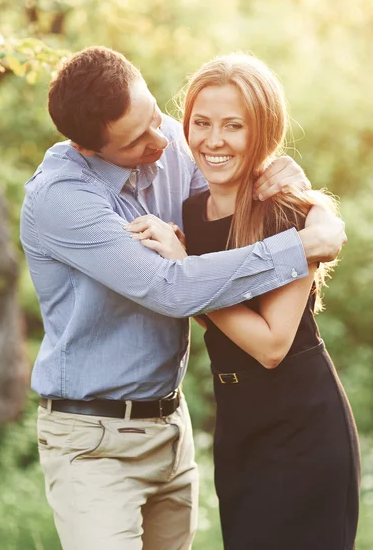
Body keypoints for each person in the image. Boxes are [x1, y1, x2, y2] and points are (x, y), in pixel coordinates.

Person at [20, 46, 347, 550]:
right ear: (89, 148)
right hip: (95, 441)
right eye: (136, 140)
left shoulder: (173, 140)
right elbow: (173, 287)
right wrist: (301, 246)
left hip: (174, 430)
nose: (164, 139)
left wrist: (307, 198)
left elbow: (240, 195)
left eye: (155, 115)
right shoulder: (62, 197)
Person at [128, 53, 359, 549]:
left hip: (303, 427)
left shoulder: (285, 212)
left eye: (234, 126)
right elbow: (224, 324)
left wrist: (185, 272)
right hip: (238, 423)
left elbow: (271, 344)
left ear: (263, 132)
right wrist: (184, 271)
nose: (214, 140)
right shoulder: (191, 209)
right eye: (201, 123)